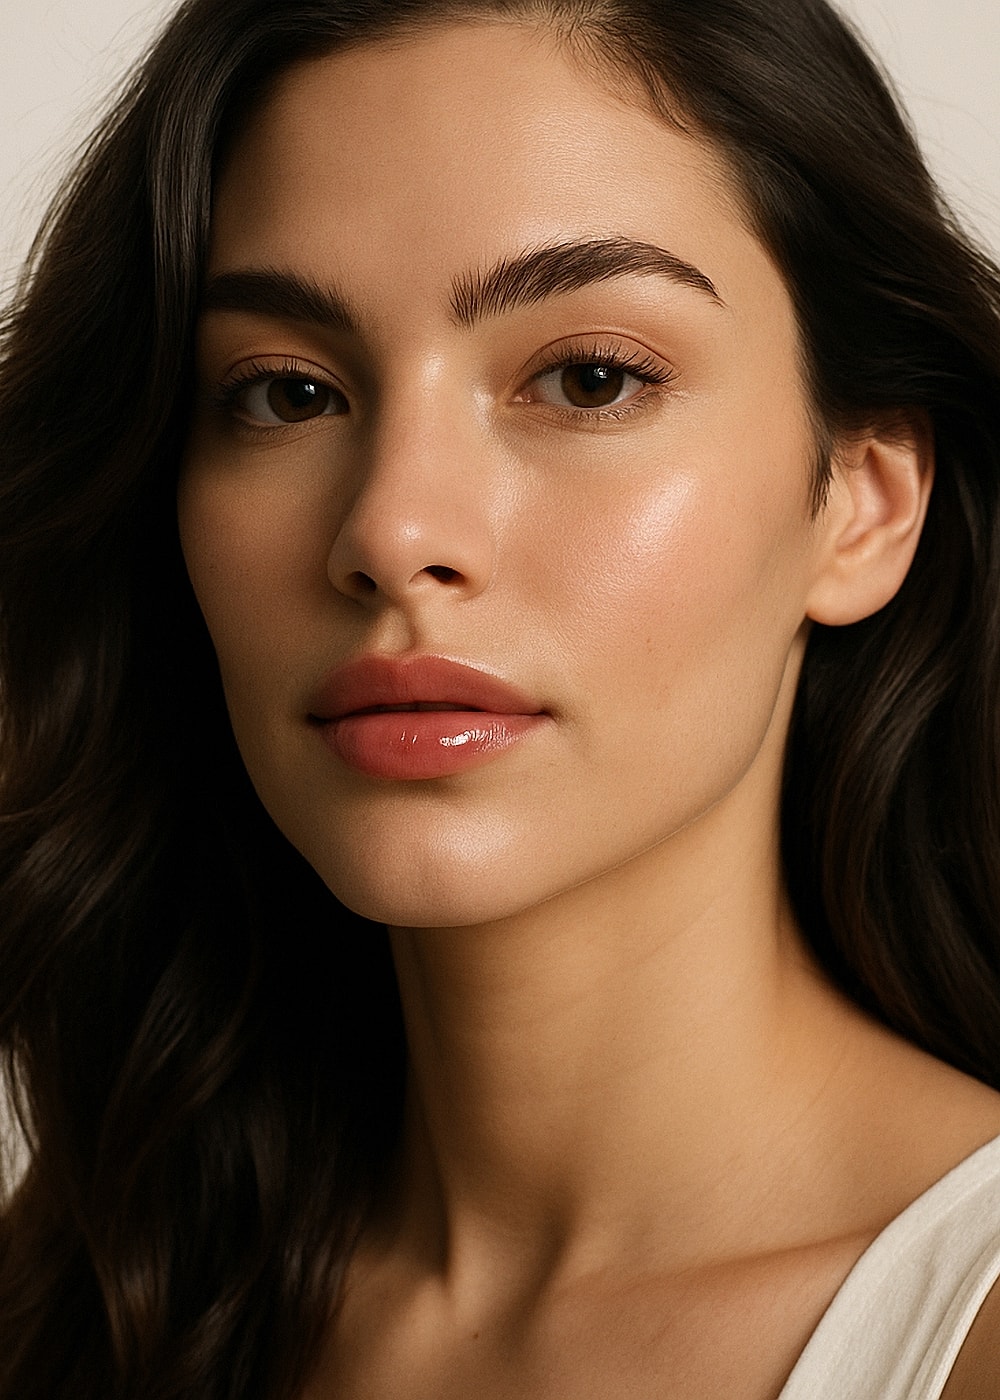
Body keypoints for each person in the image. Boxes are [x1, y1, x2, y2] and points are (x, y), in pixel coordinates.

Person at [3, 0, 1000, 1396]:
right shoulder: (82, 1283)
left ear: (864, 505)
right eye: (287, 395)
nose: (393, 529)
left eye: (589, 378)